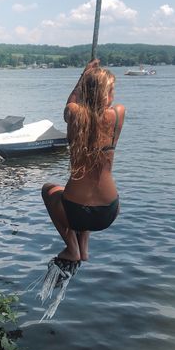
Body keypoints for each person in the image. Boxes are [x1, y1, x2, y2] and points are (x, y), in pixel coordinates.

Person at [41, 58, 125, 263]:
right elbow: (97, 112)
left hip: (76, 212)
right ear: (104, 94)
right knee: (83, 199)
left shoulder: (74, 114)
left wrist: (84, 76)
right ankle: (84, 249)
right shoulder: (118, 114)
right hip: (109, 211)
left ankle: (73, 249)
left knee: (48, 189)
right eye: (111, 91)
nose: (113, 96)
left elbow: (70, 105)